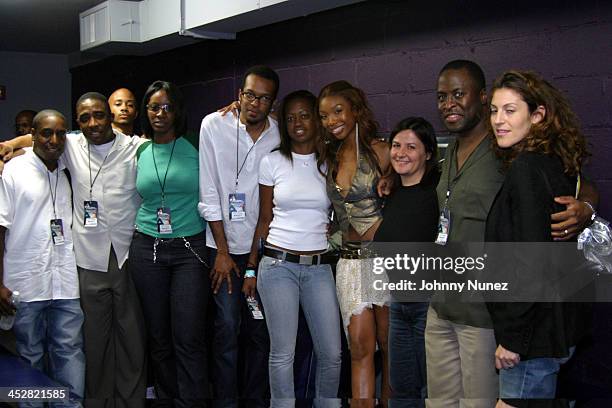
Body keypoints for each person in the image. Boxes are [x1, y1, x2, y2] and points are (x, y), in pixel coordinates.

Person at [425, 60, 598, 408]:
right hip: (448, 302)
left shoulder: (515, 154)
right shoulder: (454, 151)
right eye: (442, 96)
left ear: (536, 115)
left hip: (493, 315)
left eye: (459, 94)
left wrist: (586, 208)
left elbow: (534, 256)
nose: (449, 103)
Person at [0, 93, 147, 407]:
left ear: (109, 116)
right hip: (36, 278)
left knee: (75, 351)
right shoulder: (30, 164)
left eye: (99, 115)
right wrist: (12, 144)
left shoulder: (130, 148)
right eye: (84, 118)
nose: (92, 123)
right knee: (36, 353)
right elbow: (45, 134)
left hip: (83, 272)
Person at [485, 70, 592, 405]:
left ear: (538, 115)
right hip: (553, 332)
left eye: (510, 110)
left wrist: (514, 339)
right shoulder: (554, 163)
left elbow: (532, 264)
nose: (499, 120)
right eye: (493, 110)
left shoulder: (528, 168)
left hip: (534, 340)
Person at [248, 90, 342, 407]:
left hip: (318, 268)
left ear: (317, 119)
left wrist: (335, 227)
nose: (297, 123)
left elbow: (346, 208)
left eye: (304, 115)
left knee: (331, 351)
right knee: (282, 352)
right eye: (290, 118)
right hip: (277, 266)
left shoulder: (331, 161)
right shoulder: (271, 161)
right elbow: (263, 219)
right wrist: (250, 267)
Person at [199, 65, 278, 407]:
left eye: (263, 98)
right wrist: (222, 251)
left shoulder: (280, 134)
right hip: (223, 249)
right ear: (238, 95)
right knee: (227, 329)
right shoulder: (213, 125)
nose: (254, 104)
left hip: (264, 251)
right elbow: (209, 192)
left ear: (272, 103)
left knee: (260, 332)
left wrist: (253, 261)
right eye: (249, 95)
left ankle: (256, 401)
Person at [129, 80, 208, 406]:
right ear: (146, 112)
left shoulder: (194, 143)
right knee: (159, 338)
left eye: (166, 107)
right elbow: (79, 138)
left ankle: (193, 401)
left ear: (177, 111)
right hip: (147, 249)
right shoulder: (139, 149)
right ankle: (168, 400)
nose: (160, 114)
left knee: (188, 337)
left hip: (189, 249)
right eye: (153, 107)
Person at [0, 110, 85, 407]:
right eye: (46, 133)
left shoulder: (68, 167)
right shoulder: (13, 170)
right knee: (29, 357)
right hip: (25, 282)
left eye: (61, 134)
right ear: (33, 135)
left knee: (70, 352)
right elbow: (0, 228)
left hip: (64, 283)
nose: (54, 140)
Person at [318, 80, 390, 408]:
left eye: (337, 111)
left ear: (355, 110)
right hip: (349, 262)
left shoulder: (382, 151)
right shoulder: (329, 158)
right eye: (324, 115)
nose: (331, 120)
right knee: (360, 348)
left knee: (391, 347)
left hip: (384, 262)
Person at [374, 118, 440, 408]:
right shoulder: (392, 191)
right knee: (401, 389)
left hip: (430, 305)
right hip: (399, 304)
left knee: (431, 389)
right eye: (397, 145)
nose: (401, 152)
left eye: (411, 147)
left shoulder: (437, 191)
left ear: (427, 153)